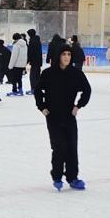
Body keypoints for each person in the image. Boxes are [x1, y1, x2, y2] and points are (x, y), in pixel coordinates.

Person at [35, 45, 92, 191]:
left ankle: (73, 177)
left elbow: (87, 90)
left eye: (69, 54)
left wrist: (78, 106)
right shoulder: (48, 73)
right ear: (58, 56)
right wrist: (42, 107)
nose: (67, 57)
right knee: (59, 146)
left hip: (69, 116)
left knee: (72, 147)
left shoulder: (76, 73)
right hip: (53, 116)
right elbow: (38, 91)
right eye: (64, 54)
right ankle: (57, 176)